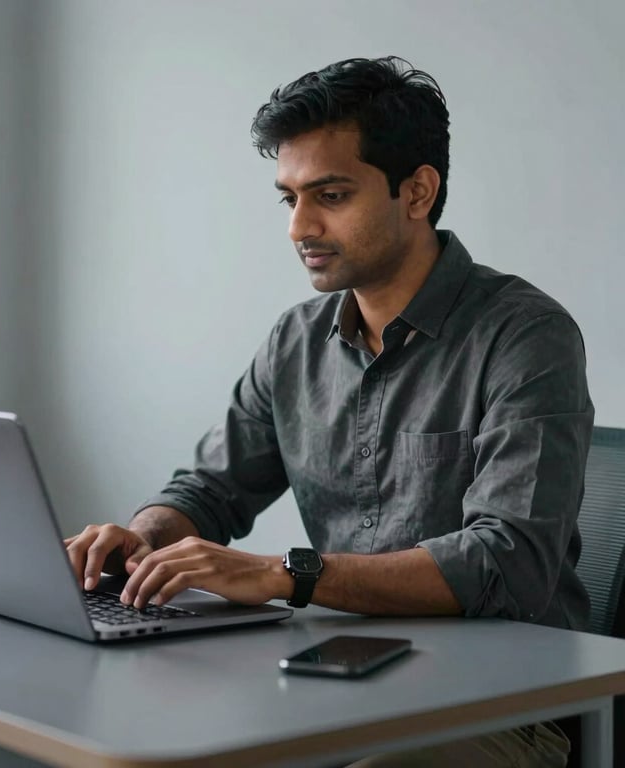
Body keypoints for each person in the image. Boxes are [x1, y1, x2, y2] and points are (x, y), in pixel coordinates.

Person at [65, 57, 593, 767]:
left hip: (499, 704)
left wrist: (291, 572)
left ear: (417, 190)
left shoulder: (525, 335)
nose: (300, 227)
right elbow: (210, 491)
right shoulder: (295, 339)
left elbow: (508, 563)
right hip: (333, 676)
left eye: (332, 195)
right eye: (289, 199)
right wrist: (141, 538)